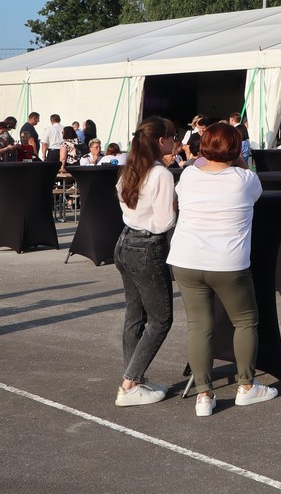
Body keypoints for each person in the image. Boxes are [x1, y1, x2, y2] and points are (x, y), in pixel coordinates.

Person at [167, 122, 274, 417]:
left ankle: (204, 394)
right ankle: (246, 385)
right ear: (236, 149)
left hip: (186, 258)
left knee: (199, 325)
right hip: (228, 262)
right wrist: (236, 157)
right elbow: (251, 185)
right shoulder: (245, 179)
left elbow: (193, 177)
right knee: (245, 321)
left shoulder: (189, 175)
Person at [112, 116, 178, 407]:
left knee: (135, 315)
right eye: (173, 137)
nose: (175, 142)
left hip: (125, 241)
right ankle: (129, 383)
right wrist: (176, 204)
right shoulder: (161, 174)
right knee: (160, 319)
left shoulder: (131, 167)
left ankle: (134, 378)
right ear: (161, 140)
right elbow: (164, 222)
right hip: (147, 246)